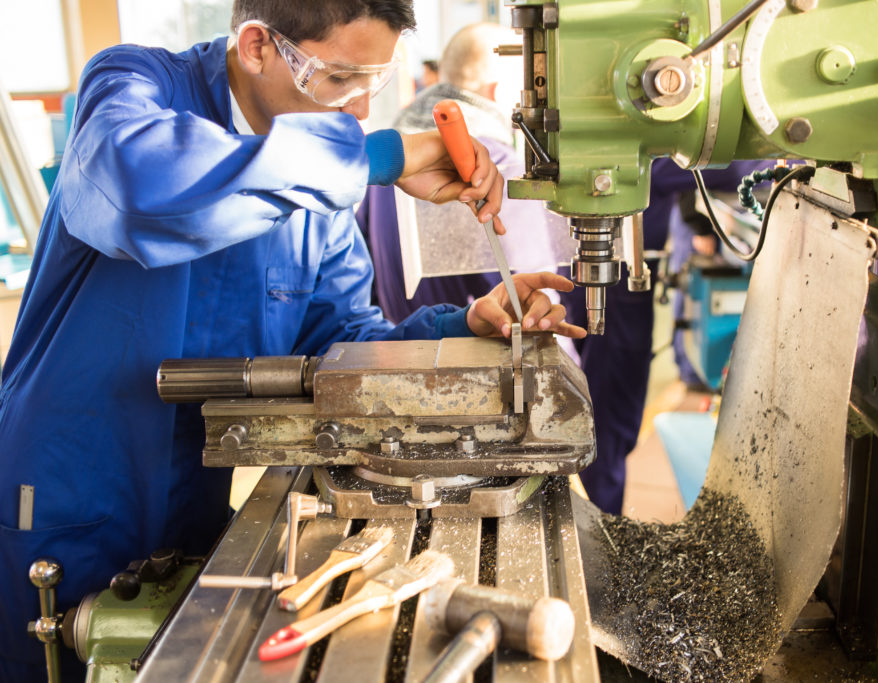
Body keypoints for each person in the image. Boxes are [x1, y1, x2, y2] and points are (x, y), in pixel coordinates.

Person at [0, 1, 583, 679]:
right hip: (67, 499)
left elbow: (343, 341)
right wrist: (380, 157)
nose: (359, 112)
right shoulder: (133, 87)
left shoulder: (323, 194)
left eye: (374, 86)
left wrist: (463, 325)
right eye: (340, 80)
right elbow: (138, 192)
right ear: (255, 45)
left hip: (194, 504)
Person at [567, 158, 762, 514]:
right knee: (610, 413)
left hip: (612, 274)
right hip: (617, 281)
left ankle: (600, 516)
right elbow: (718, 166)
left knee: (605, 410)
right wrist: (783, 155)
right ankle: (602, 525)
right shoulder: (638, 147)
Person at [357, 23, 571, 329]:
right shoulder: (495, 165)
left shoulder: (391, 166)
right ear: (500, 91)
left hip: (400, 352)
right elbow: (535, 306)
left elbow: (369, 289)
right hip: (484, 362)